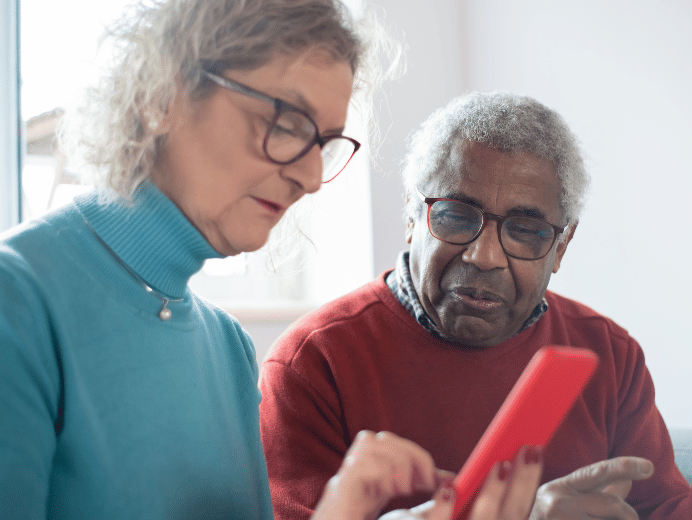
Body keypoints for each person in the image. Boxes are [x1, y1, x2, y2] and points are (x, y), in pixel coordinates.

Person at [0, 1, 544, 518]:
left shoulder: (227, 348)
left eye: (325, 144)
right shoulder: (18, 300)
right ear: (160, 95)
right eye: (286, 123)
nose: (309, 179)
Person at [258, 91, 692, 519]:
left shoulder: (606, 354)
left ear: (561, 247)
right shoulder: (314, 362)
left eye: (526, 231)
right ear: (412, 217)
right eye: (456, 216)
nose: (485, 255)